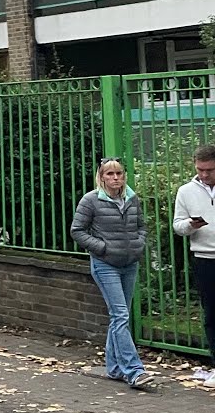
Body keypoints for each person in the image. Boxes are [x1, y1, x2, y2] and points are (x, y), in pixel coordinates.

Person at [70, 157, 155, 389]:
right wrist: (102, 248)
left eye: (118, 173)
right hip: (105, 264)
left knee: (120, 315)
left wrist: (139, 244)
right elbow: (77, 230)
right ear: (102, 177)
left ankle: (114, 368)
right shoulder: (91, 200)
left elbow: (142, 226)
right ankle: (134, 370)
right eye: (109, 174)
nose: (115, 178)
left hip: (129, 263)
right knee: (120, 315)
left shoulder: (131, 198)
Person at [172, 144, 215, 389]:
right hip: (204, 257)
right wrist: (190, 224)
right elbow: (177, 226)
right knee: (212, 314)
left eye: (209, 170)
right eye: (200, 170)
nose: (205, 175)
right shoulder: (186, 191)